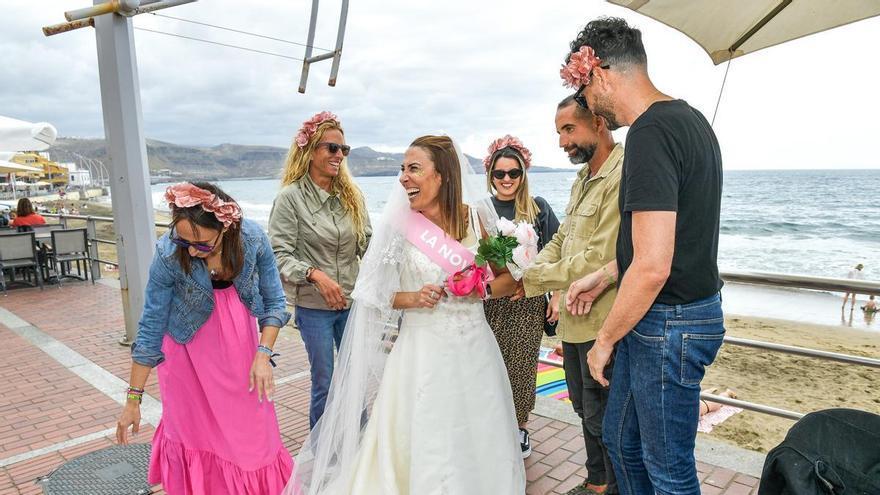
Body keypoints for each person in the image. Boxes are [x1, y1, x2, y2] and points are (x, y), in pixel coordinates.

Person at [286, 135, 526, 495]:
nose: (403, 178)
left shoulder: (475, 218)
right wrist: (413, 297)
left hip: (475, 349)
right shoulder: (400, 226)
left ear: (442, 174)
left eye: (413, 168)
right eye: (402, 169)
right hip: (421, 352)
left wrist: (483, 287)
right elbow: (373, 293)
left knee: (477, 428)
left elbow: (508, 280)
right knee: (425, 434)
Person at [563, 17, 725, 495]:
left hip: (668, 324)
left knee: (668, 469)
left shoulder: (651, 133)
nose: (586, 103)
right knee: (620, 440)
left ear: (601, 75)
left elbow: (654, 266)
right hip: (666, 318)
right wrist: (607, 274)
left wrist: (605, 340)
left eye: (583, 90)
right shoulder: (688, 119)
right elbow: (668, 241)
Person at [116, 182, 294, 494]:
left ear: (225, 227)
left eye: (202, 243)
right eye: (185, 242)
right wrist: (133, 399)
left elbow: (275, 303)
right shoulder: (169, 253)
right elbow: (151, 326)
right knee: (193, 436)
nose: (192, 250)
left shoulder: (252, 239)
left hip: (240, 349)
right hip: (184, 355)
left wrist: (264, 354)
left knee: (252, 440)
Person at [520, 96, 623, 495]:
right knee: (583, 407)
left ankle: (612, 486)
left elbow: (600, 254)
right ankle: (596, 480)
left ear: (598, 122)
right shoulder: (583, 178)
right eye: (559, 132)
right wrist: (532, 272)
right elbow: (563, 239)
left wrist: (531, 281)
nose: (563, 142)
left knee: (604, 415)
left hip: (603, 321)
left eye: (569, 129)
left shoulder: (621, 173)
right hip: (573, 320)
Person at [268, 111, 371, 429]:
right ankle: (323, 456)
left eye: (344, 149)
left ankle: (361, 445)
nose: (339, 155)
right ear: (309, 150)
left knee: (356, 378)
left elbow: (369, 244)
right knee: (325, 381)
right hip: (315, 309)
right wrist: (316, 274)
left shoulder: (352, 197)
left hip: (353, 304)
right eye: (331, 148)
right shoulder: (290, 199)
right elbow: (279, 254)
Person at [481, 134, 559, 458]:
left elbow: (558, 253)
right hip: (490, 305)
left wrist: (557, 295)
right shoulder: (480, 210)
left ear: (523, 174)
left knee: (522, 368)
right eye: (500, 173)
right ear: (490, 176)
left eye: (514, 173)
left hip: (527, 305)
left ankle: (520, 427)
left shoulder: (538, 207)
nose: (507, 179)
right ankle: (491, 425)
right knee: (488, 365)